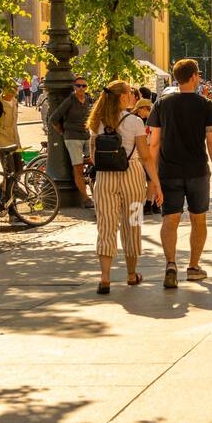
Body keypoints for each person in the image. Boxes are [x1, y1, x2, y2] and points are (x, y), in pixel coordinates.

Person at [147, 58, 212, 289]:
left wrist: (153, 178)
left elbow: (154, 143)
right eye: (198, 74)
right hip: (198, 171)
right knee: (198, 220)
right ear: (193, 77)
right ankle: (193, 267)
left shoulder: (162, 104)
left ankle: (170, 264)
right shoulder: (205, 104)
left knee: (170, 219)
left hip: (169, 171)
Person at [88, 80, 162, 294]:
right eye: (130, 93)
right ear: (121, 97)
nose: (132, 96)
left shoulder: (97, 121)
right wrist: (156, 184)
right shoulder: (135, 122)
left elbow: (93, 156)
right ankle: (131, 274)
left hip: (104, 178)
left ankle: (105, 278)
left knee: (106, 226)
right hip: (132, 175)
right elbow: (146, 156)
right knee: (133, 223)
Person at [48, 75, 93, 208]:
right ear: (74, 87)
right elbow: (54, 118)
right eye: (78, 86)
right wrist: (63, 132)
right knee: (77, 168)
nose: (81, 88)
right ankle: (86, 199)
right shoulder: (70, 100)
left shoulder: (88, 100)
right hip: (73, 137)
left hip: (86, 136)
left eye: (83, 86)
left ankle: (93, 190)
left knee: (92, 161)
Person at [0, 82, 23, 222]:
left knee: (16, 175)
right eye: (10, 87)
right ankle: (12, 212)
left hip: (15, 144)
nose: (14, 90)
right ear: (3, 88)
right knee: (11, 178)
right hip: (2, 145)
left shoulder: (15, 102)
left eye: (16, 87)